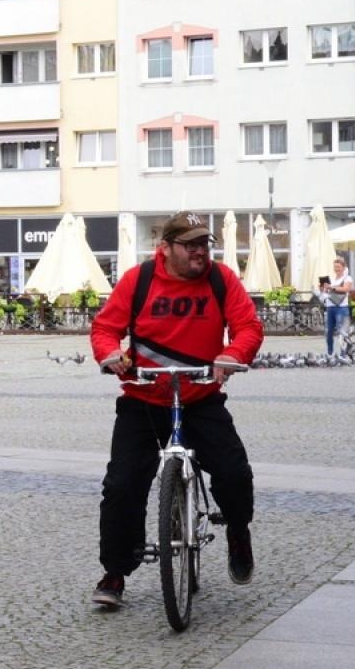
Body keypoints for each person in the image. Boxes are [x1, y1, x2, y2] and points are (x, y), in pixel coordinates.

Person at [88, 211, 265, 608]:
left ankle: (238, 530)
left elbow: (248, 327)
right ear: (165, 248)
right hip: (143, 397)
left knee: (234, 472)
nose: (201, 251)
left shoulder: (221, 280)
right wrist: (110, 353)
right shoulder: (140, 280)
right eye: (191, 245)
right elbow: (104, 328)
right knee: (121, 486)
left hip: (200, 396)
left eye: (204, 243)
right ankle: (115, 572)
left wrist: (231, 355)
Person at [319, 257, 355, 356]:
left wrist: (331, 287)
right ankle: (330, 352)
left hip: (341, 308)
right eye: (335, 267)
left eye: (338, 267)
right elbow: (327, 292)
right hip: (330, 307)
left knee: (342, 332)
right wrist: (323, 289)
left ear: (344, 267)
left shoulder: (348, 278)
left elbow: (346, 289)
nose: (336, 269)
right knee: (329, 331)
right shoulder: (332, 278)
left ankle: (344, 354)